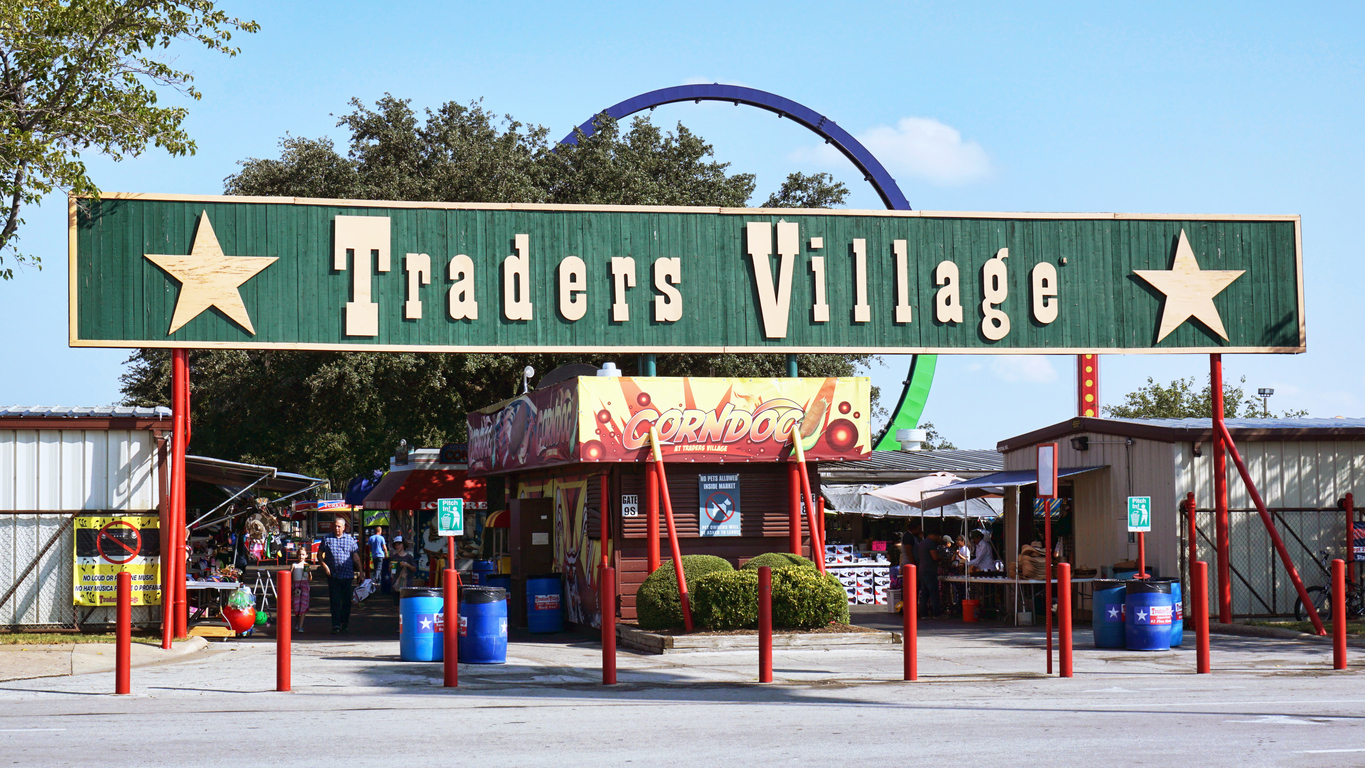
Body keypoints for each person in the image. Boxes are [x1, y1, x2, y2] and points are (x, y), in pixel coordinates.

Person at [318, 517, 361, 634]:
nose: (337, 528)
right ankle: (336, 624)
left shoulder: (350, 540)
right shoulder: (327, 539)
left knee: (346, 601)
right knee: (335, 601)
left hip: (347, 575)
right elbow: (319, 555)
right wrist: (324, 565)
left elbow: (356, 558)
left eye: (339, 526)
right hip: (333, 576)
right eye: (335, 526)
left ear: (344, 528)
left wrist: (361, 573)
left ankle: (344, 623)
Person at [915, 532, 944, 617]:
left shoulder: (921, 543)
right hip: (929, 570)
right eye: (938, 537)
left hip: (922, 570)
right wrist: (941, 558)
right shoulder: (931, 543)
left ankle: (924, 614)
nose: (938, 539)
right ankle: (936, 614)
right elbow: (935, 557)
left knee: (924, 593)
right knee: (934, 593)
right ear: (933, 535)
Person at [290, 546, 314, 633]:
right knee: (296, 607)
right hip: (296, 586)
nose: (301, 556)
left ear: (306, 556)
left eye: (303, 554)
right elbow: (289, 576)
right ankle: (298, 621)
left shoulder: (307, 565)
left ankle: (300, 625)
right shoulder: (294, 565)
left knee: (303, 606)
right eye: (299, 554)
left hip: (304, 585)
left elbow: (309, 578)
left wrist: (309, 572)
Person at [390, 537, 417, 604]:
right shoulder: (394, 557)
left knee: (406, 604)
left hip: (407, 584)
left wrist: (408, 565)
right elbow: (390, 570)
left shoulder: (409, 557)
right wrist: (390, 567)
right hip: (396, 584)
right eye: (396, 545)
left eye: (399, 544)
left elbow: (414, 569)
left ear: (403, 545)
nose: (397, 546)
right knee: (397, 604)